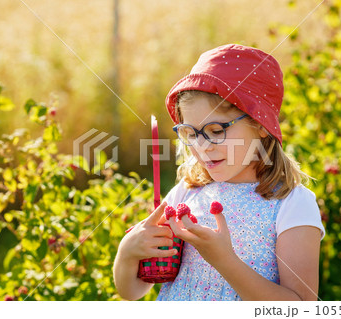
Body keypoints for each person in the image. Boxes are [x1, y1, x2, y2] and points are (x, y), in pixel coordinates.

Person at [113, 44, 325, 301]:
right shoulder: (186, 194)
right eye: (190, 133)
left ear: (259, 124)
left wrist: (224, 260)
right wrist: (127, 253)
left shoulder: (291, 204)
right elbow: (133, 291)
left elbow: (299, 307)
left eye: (216, 131)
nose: (201, 146)